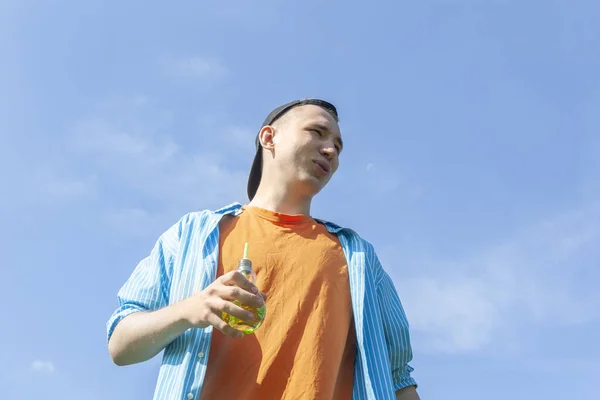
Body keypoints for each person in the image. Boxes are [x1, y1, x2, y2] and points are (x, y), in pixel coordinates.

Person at [106, 99, 420, 400]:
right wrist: (191, 309)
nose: (331, 151)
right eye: (317, 132)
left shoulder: (358, 258)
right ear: (269, 137)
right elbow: (121, 344)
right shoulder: (194, 234)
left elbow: (398, 379)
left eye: (338, 147)